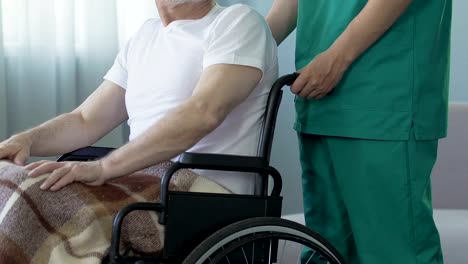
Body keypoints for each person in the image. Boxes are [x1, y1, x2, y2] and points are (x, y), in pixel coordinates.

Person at [0, 0, 277, 262]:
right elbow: (86, 119)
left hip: (199, 193)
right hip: (145, 183)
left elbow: (203, 112)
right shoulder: (145, 36)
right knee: (9, 179)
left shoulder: (238, 22)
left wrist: (104, 168)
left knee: (37, 194)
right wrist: (27, 139)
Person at [267, 0, 451, 263]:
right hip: (319, 94)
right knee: (324, 250)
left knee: (395, 254)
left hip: (382, 95)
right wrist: (251, 46)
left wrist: (337, 58)